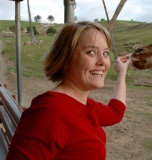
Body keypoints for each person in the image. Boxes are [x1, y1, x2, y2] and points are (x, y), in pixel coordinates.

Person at [6, 21, 130, 159]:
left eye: (105, 53)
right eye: (91, 52)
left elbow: (116, 113)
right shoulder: (52, 111)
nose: (102, 61)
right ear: (66, 60)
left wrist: (122, 73)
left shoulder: (85, 105)